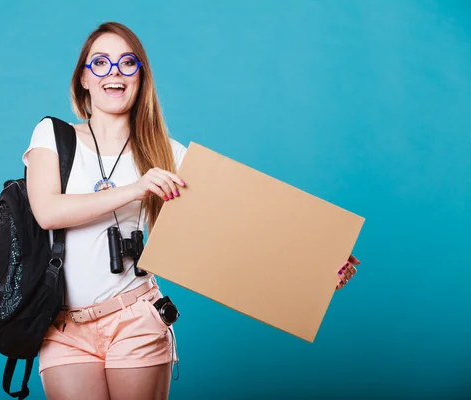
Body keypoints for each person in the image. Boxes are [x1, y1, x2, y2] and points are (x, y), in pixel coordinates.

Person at [23, 21, 362, 400]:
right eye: (100, 63)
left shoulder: (166, 153)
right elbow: (47, 211)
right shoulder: (52, 135)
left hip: (136, 319)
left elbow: (242, 222)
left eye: (127, 63)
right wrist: (134, 189)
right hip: (65, 329)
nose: (114, 73)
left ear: (141, 77)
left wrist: (318, 264)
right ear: (84, 78)